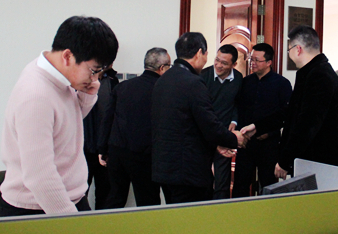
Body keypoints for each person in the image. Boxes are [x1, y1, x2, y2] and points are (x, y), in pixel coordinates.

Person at [0, 16, 118, 216]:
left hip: (68, 198)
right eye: (93, 71)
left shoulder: (57, 76)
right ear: (68, 56)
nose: (95, 78)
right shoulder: (36, 96)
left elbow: (66, 125)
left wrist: (87, 96)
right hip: (39, 207)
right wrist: (69, 221)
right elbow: (39, 176)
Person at [151, 32, 246, 204]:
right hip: (187, 171)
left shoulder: (163, 79)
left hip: (164, 167)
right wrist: (233, 139)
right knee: (191, 217)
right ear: (199, 53)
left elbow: (185, 124)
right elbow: (207, 123)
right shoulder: (194, 82)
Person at [241, 25, 338, 178]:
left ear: (298, 49)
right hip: (311, 160)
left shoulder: (320, 75)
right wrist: (258, 127)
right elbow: (291, 112)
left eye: (289, 49)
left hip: (320, 161)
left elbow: (307, 124)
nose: (289, 54)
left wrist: (285, 160)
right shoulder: (310, 72)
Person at [98, 48, 171, 208]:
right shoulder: (163, 90)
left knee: (115, 198)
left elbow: (108, 119)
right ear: (162, 68)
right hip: (145, 156)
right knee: (148, 202)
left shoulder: (122, 87)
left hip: (117, 151)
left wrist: (102, 149)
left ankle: (107, 224)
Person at [232, 43, 291, 197]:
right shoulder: (245, 82)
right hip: (246, 143)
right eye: (251, 59)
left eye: (257, 60)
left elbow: (285, 114)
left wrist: (269, 132)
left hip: (269, 144)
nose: (252, 63)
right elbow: (239, 108)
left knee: (269, 186)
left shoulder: (282, 84)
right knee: (240, 185)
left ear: (269, 62)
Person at [200, 44, 243, 199]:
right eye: (217, 60)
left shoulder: (238, 78)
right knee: (203, 180)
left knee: (223, 182)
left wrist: (234, 121)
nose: (218, 65)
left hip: (224, 135)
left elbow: (237, 103)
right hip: (204, 136)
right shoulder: (203, 77)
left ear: (234, 64)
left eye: (224, 63)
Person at [82, 66, 119, 210]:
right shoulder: (79, 80)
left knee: (105, 195)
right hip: (84, 148)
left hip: (104, 148)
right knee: (79, 194)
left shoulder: (112, 81)